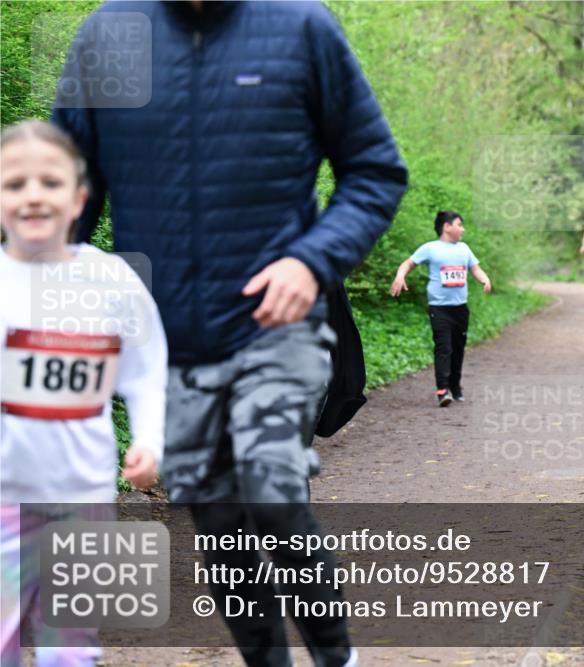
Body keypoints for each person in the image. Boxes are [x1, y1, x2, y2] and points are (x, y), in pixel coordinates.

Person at [53, 2, 408, 665]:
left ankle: (338, 658)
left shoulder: (302, 29)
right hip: (170, 342)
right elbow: (67, 190)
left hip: (277, 332)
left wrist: (311, 259)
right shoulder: (110, 35)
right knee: (219, 530)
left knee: (273, 496)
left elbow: (374, 172)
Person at [0, 120, 166, 667]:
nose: (32, 196)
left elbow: (144, 372)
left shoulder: (112, 281)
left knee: (69, 648)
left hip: (85, 494)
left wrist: (149, 440)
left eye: (49, 182)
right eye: (14, 183)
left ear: (77, 198)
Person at [390, 211, 491, 406]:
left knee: (458, 349)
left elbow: (475, 268)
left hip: (460, 309)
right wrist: (400, 276)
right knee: (444, 347)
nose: (462, 229)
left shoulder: (464, 249)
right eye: (459, 225)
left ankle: (455, 386)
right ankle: (443, 389)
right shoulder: (430, 248)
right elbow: (408, 263)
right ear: (446, 227)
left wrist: (484, 279)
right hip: (439, 308)